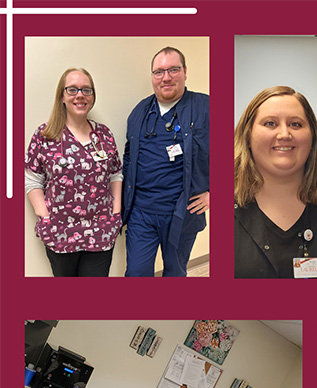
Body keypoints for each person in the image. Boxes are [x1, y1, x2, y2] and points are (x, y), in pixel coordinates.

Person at [234, 86, 317, 278]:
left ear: (312, 137)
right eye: (270, 123)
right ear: (248, 135)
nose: (284, 134)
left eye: (296, 124)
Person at [25, 68, 122, 276]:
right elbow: (32, 178)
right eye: (72, 89)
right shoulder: (45, 135)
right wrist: (44, 214)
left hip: (101, 229)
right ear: (62, 95)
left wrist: (116, 211)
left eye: (87, 90)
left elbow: (115, 173)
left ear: (93, 96)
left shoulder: (103, 134)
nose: (80, 95)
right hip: (60, 231)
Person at [122, 46, 209, 277]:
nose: (166, 77)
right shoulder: (140, 111)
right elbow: (129, 157)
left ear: (185, 71)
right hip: (141, 212)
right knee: (137, 273)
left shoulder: (205, 107)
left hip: (182, 212)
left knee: (175, 273)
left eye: (173, 69)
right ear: (152, 76)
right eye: (159, 72)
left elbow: (235, 153)